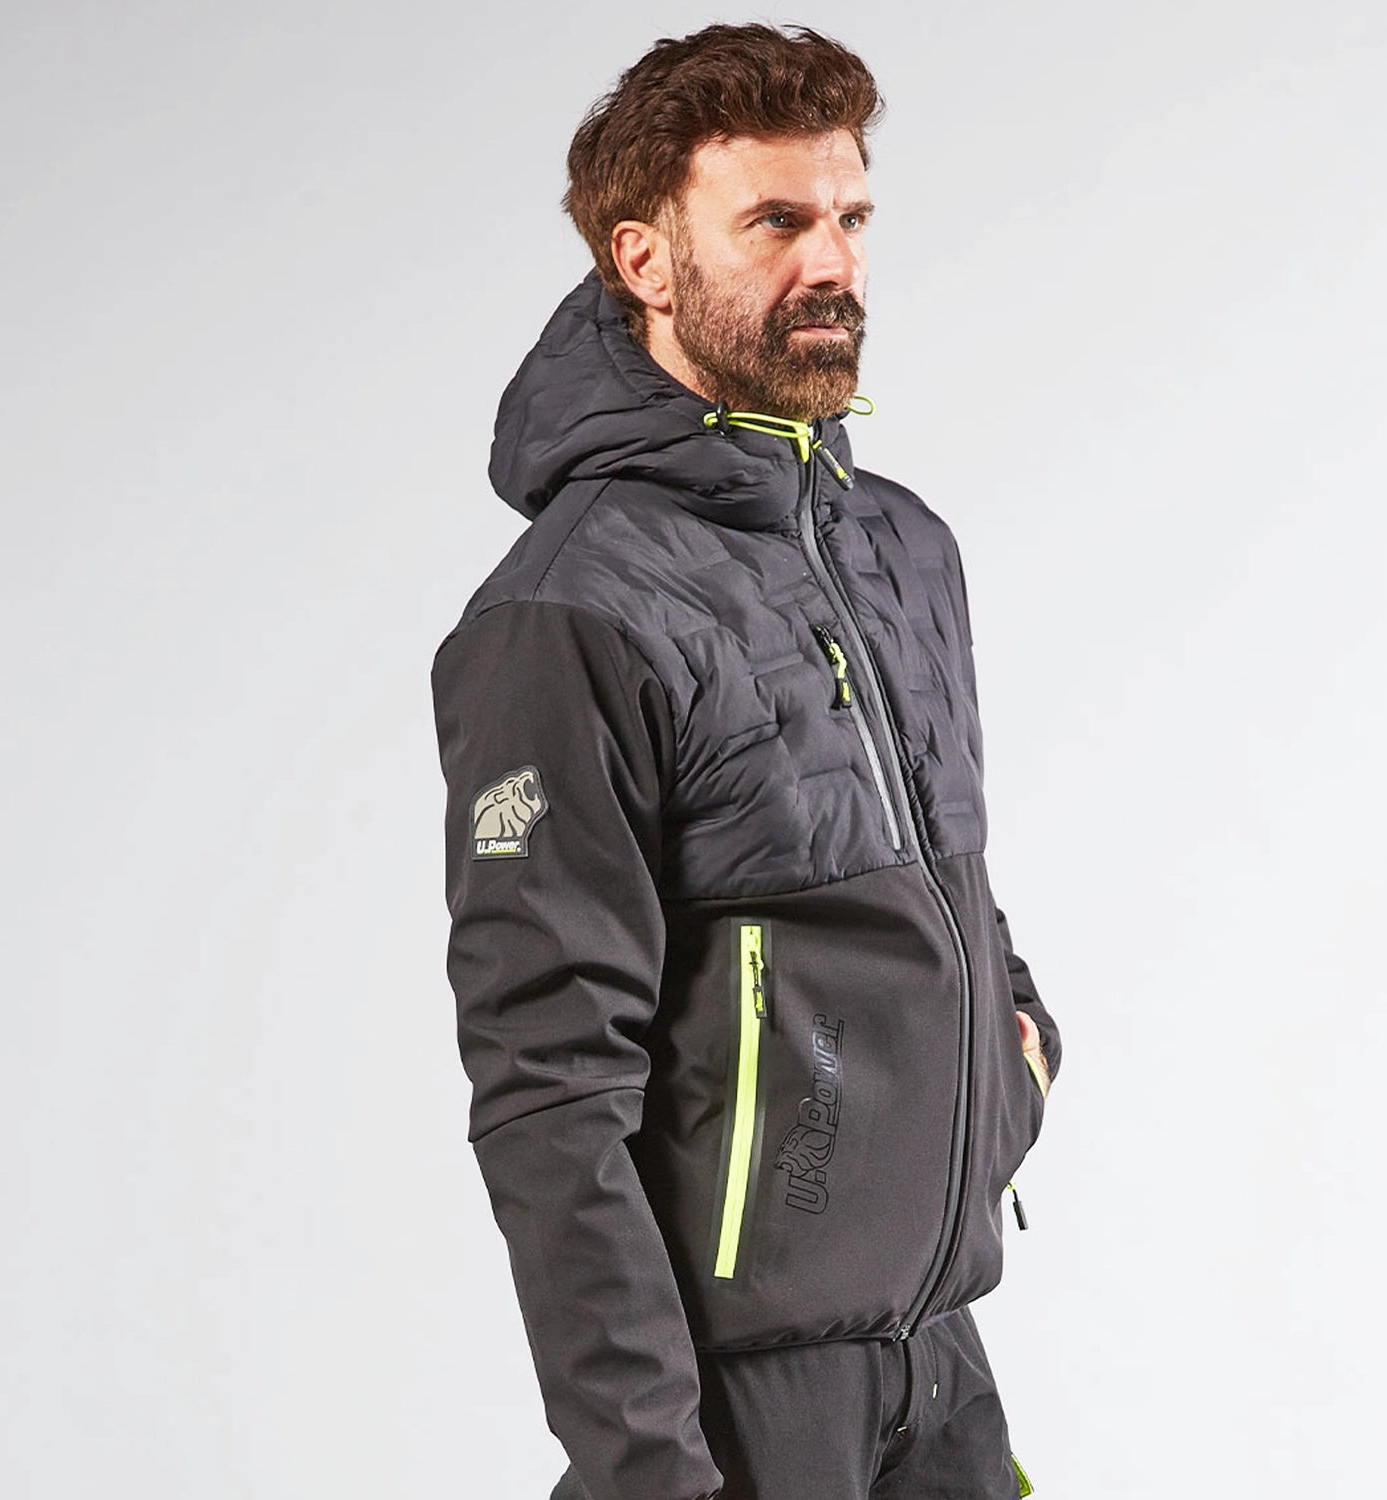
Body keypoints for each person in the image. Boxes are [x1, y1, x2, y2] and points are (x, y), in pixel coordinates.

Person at [431, 23, 1061, 1500]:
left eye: (850, 217)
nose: (831, 263)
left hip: (939, 1364)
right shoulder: (568, 613)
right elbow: (548, 1087)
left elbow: (945, 875)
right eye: (775, 221)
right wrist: (647, 1465)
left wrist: (1019, 1049)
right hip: (740, 1413)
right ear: (644, 259)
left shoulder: (902, 547)